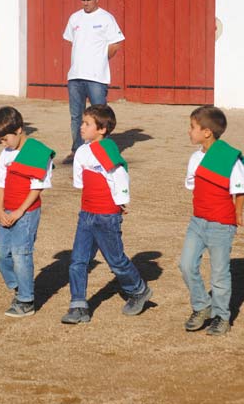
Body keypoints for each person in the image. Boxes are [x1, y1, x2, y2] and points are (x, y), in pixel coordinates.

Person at [61, 105, 152, 324]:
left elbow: (120, 174)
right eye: (82, 123)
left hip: (106, 215)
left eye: (87, 124)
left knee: (116, 261)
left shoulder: (107, 149)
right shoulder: (82, 150)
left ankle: (138, 290)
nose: (81, 127)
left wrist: (121, 201)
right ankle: (78, 305)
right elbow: (80, 181)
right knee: (78, 261)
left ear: (101, 129)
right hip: (87, 213)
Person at [179, 106, 244, 336]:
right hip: (197, 221)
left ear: (207, 132)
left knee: (219, 274)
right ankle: (202, 306)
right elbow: (192, 184)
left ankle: (221, 316)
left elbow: (240, 189)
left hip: (221, 224)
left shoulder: (229, 158)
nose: (189, 132)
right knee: (186, 265)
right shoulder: (194, 157)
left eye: (192, 127)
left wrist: (237, 214)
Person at [0, 107, 55, 317]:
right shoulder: (5, 153)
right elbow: (0, 183)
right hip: (7, 210)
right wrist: (0, 210)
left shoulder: (36, 151)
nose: (2, 143)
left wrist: (19, 211)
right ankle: (20, 286)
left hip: (26, 213)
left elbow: (37, 187)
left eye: (4, 138)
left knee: (21, 254)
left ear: (19, 130)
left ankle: (26, 300)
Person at [62, 0, 124, 164]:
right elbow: (71, 41)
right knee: (76, 116)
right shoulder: (74, 18)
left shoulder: (106, 18)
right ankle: (77, 151)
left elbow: (115, 45)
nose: (85, 3)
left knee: (100, 116)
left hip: (97, 76)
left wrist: (100, 61)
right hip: (75, 75)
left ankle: (101, 150)